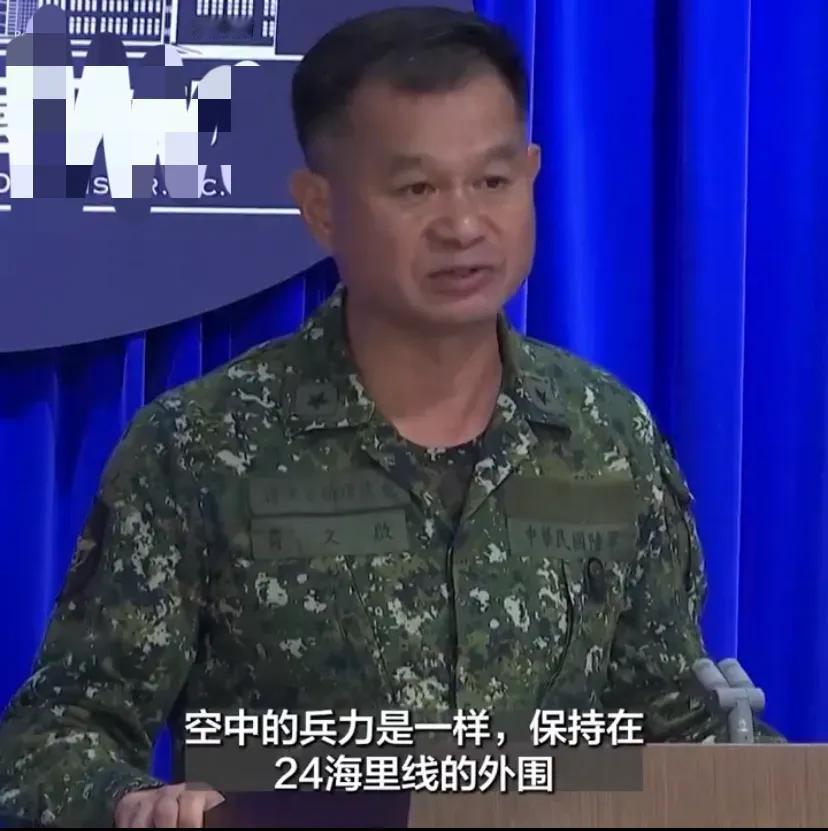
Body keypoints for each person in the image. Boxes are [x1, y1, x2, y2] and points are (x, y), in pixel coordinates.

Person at [0, 5, 782, 828]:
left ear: (532, 175)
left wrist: (776, 783)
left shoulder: (607, 434)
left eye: (493, 181)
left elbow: (671, 720)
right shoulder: (201, 446)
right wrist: (133, 800)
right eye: (416, 188)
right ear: (321, 208)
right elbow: (55, 737)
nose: (463, 226)